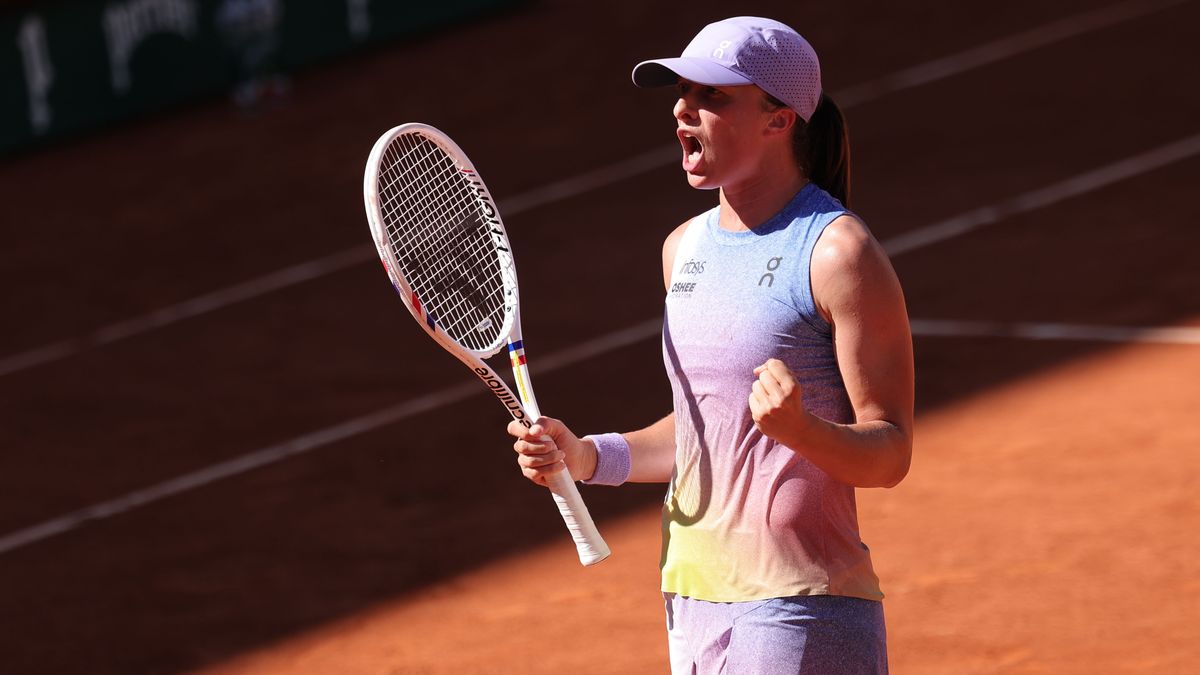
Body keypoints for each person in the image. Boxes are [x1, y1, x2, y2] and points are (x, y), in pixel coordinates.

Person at [509, 16, 913, 674]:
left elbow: (890, 449)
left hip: (801, 602)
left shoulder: (838, 253)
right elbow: (703, 429)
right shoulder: (682, 250)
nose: (682, 109)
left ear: (779, 120)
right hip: (692, 596)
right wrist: (584, 455)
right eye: (681, 93)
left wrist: (803, 431)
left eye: (712, 96)